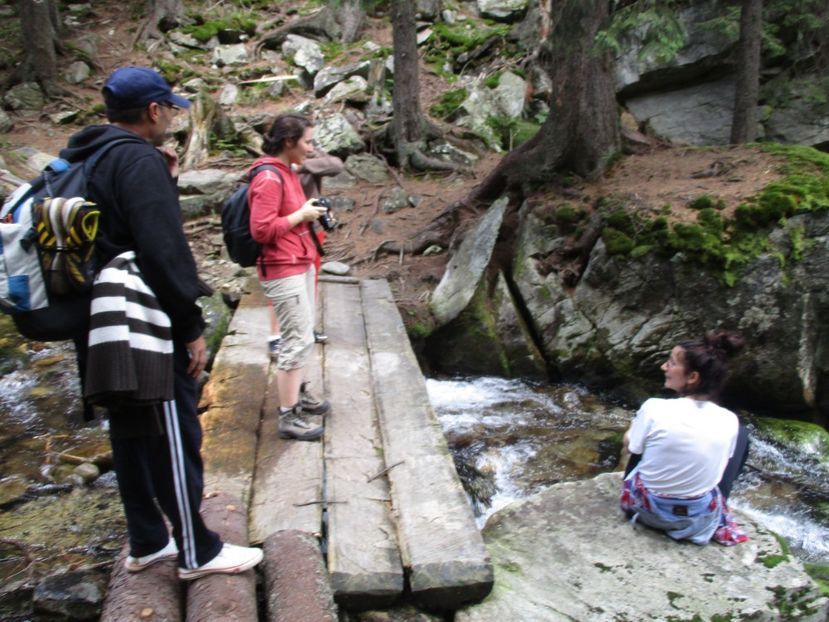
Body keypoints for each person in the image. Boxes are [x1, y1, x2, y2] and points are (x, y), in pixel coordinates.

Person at [62, 66, 263, 579]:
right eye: (170, 108)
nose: (173, 116)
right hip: (141, 321)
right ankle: (198, 552)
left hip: (98, 319)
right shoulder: (136, 160)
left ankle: (148, 540)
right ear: (153, 111)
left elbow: (115, 229)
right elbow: (163, 250)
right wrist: (190, 325)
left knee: (130, 429)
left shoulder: (88, 155)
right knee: (174, 427)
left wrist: (165, 180)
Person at [620, 330, 750, 546]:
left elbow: (632, 448)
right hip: (697, 518)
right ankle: (718, 504)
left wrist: (632, 431)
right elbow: (721, 467)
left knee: (638, 441)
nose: (664, 367)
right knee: (742, 436)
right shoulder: (729, 420)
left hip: (648, 511)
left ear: (692, 377)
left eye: (671, 363)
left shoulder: (654, 407)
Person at [249, 113, 332, 441]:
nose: (311, 148)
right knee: (295, 339)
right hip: (282, 267)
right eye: (307, 141)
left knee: (303, 336)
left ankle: (297, 393)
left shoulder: (287, 171)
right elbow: (261, 229)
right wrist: (301, 214)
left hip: (300, 262)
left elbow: (287, 215)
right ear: (288, 142)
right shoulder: (269, 178)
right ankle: (288, 415)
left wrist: (308, 209)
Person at [267, 147, 344, 358]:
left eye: (311, 141)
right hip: (284, 231)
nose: (310, 146)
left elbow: (336, 165)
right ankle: (275, 336)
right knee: (281, 282)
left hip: (312, 231)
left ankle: (307, 326)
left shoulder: (310, 156)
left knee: (311, 278)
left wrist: (303, 166)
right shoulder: (271, 166)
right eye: (306, 141)